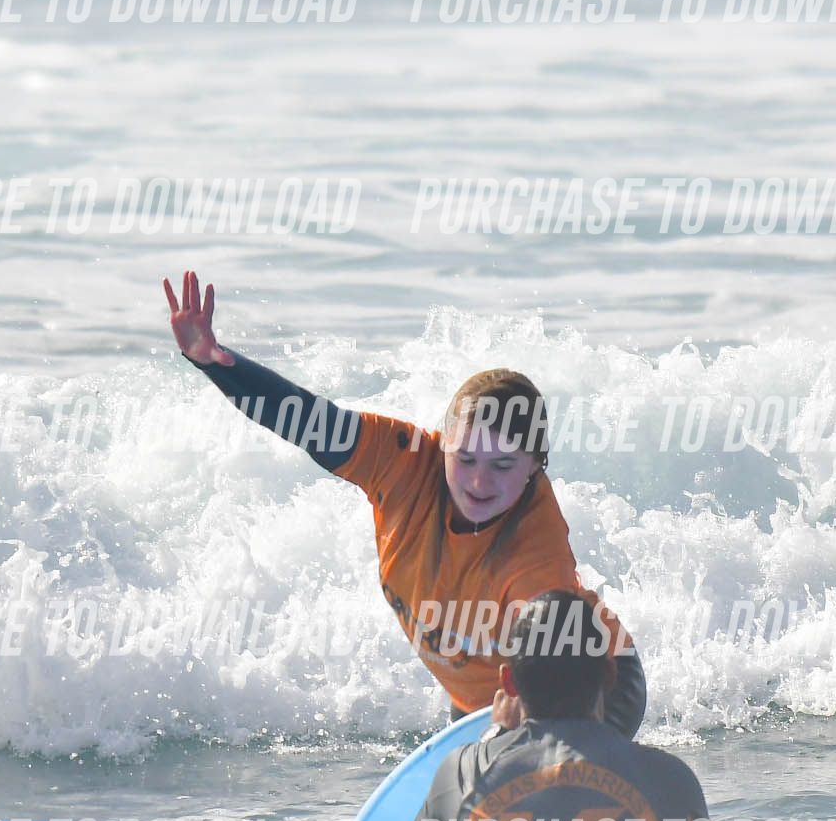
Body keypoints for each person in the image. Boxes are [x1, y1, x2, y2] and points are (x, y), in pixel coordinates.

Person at [163, 269, 645, 736]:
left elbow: (553, 681)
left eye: (502, 465)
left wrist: (522, 739)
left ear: (536, 466)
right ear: (443, 442)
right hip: (477, 700)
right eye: (465, 458)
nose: (479, 481)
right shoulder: (405, 463)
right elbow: (308, 421)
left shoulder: (537, 555)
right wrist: (213, 361)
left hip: (589, 687)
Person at [414, 591, 730, 821]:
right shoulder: (671, 779)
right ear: (610, 675)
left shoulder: (463, 771)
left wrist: (496, 736)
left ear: (508, 683)